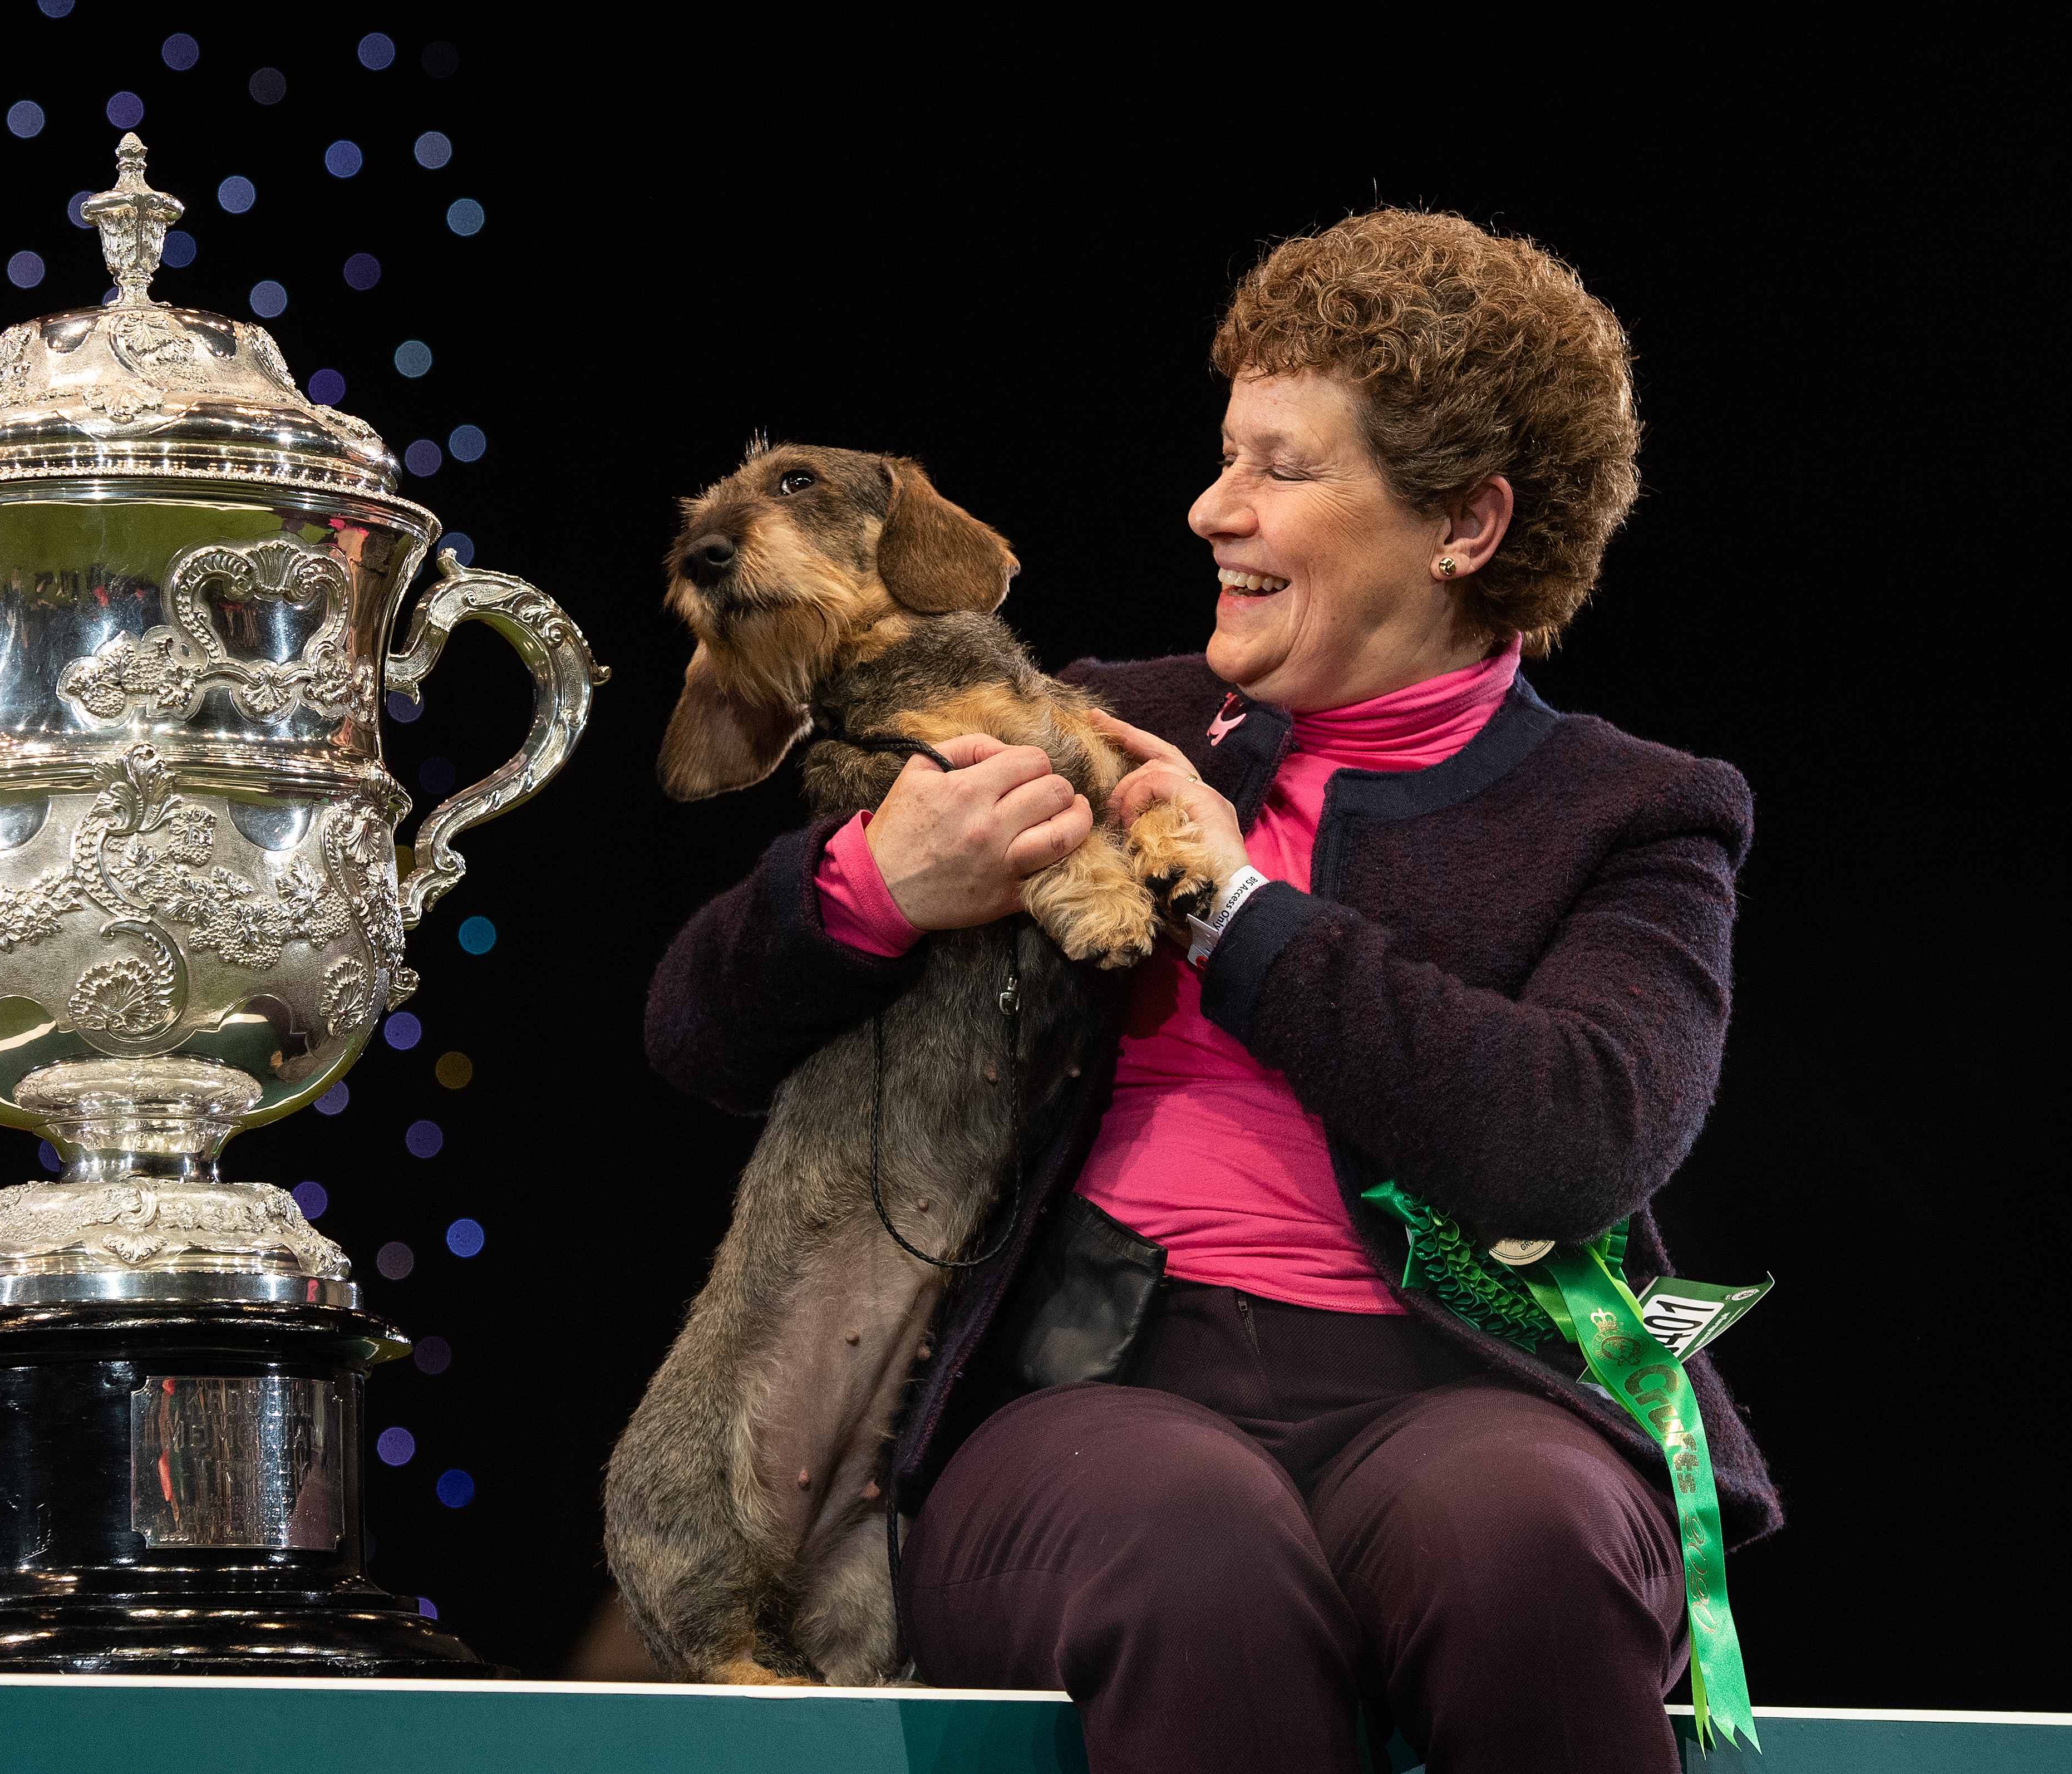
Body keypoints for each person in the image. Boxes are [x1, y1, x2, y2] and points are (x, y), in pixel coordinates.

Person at [642, 209, 1776, 1773]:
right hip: (1090, 1393)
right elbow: (693, 1031)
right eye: (1219, 453)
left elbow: (1565, 1144)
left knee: (1523, 1535)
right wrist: (875, 886)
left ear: (1462, 525)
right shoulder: (1081, 717)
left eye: (1278, 468)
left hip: (1466, 1393)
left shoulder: (1637, 811)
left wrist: (1232, 902)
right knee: (1192, 1545)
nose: (1208, 508)